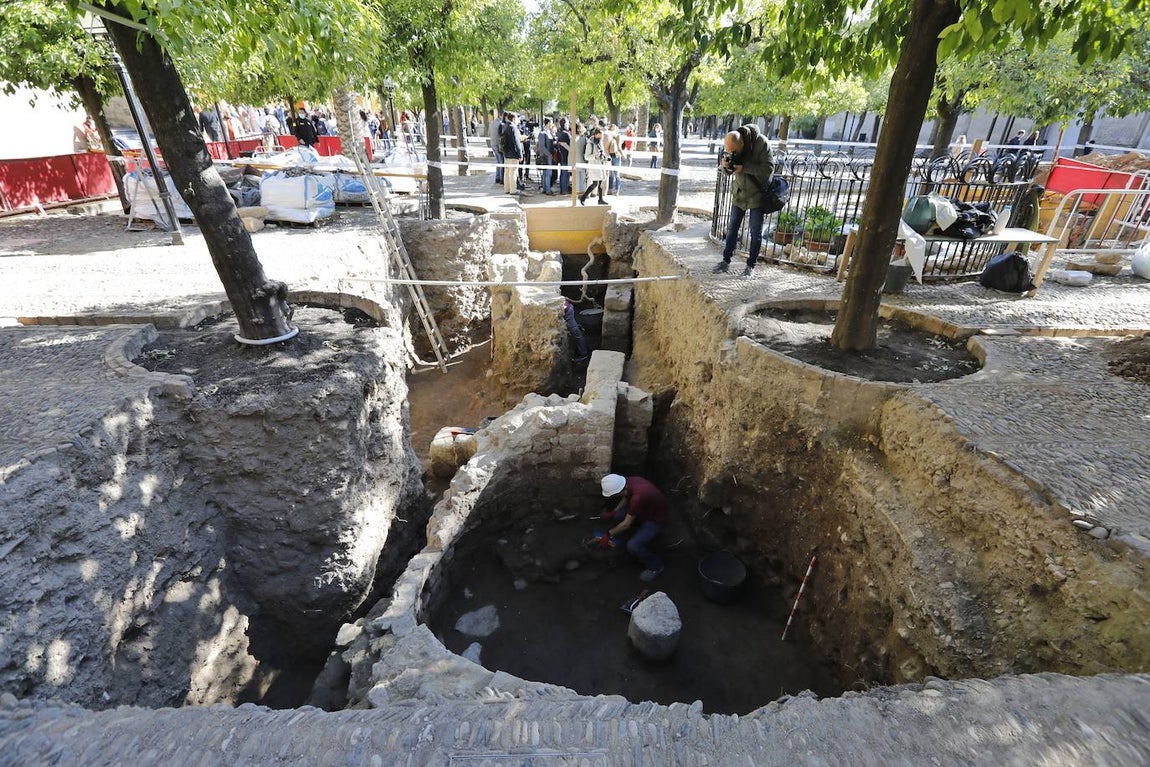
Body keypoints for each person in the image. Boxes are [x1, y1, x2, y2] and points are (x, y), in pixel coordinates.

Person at [713, 124, 774, 277]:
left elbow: (767, 170)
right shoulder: (735, 147)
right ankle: (725, 261)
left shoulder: (762, 144)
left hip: (757, 195)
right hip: (739, 193)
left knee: (755, 232)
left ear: (741, 144)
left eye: (733, 151)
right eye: (729, 151)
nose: (732, 153)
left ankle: (750, 266)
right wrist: (725, 166)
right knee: (732, 228)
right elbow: (727, 171)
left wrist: (744, 167)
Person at [598, 474, 669, 582]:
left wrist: (608, 534)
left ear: (618, 492)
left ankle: (656, 566)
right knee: (618, 516)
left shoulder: (638, 498)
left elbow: (626, 524)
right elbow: (626, 498)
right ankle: (635, 531)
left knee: (633, 545)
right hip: (645, 509)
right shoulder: (630, 481)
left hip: (656, 519)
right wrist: (614, 511)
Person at [579, 126, 610, 205]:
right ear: (596, 134)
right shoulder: (590, 144)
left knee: (601, 182)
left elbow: (602, 153)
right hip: (594, 166)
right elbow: (586, 156)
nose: (601, 137)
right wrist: (595, 156)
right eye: (600, 135)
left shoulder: (600, 142)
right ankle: (583, 197)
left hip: (600, 165)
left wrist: (606, 158)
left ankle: (600, 199)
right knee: (595, 183)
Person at [500, 112, 523, 195]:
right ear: (513, 119)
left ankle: (507, 188)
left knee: (507, 172)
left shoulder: (505, 126)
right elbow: (517, 142)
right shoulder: (513, 127)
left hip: (506, 153)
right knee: (513, 172)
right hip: (513, 153)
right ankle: (513, 189)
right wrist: (520, 154)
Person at [537, 119, 555, 195]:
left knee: (546, 173)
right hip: (546, 156)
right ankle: (547, 190)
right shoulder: (542, 133)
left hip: (548, 155)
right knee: (547, 173)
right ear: (548, 123)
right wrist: (548, 154)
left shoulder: (548, 133)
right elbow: (542, 146)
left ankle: (545, 188)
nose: (552, 125)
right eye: (551, 123)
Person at [557, 119, 573, 195]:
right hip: (566, 156)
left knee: (563, 173)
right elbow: (570, 144)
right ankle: (564, 189)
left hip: (561, 156)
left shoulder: (559, 132)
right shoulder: (566, 134)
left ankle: (563, 188)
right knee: (565, 174)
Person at [605, 123, 622, 195]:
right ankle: (612, 189)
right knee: (612, 174)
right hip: (612, 156)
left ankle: (615, 190)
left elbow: (619, 147)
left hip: (614, 156)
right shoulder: (609, 136)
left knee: (615, 174)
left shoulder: (616, 136)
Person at [489, 114, 504, 186]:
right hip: (498, 144)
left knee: (498, 161)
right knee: (501, 161)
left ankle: (497, 177)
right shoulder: (501, 124)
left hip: (493, 144)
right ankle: (501, 178)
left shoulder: (492, 123)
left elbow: (489, 133)